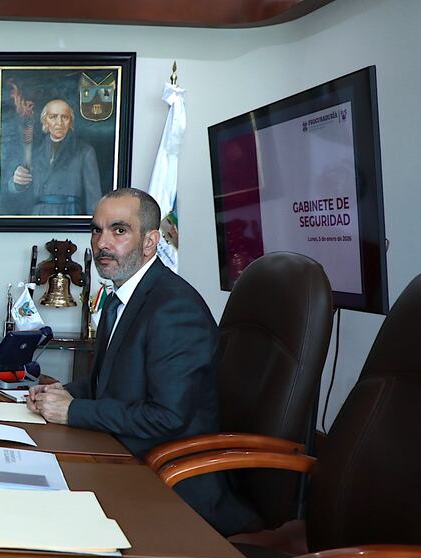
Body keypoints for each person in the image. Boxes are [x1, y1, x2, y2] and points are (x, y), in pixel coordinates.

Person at [27, 187, 259, 536]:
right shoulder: (118, 298)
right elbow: (104, 384)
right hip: (122, 459)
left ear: (150, 242)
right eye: (96, 229)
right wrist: (56, 394)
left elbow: (167, 418)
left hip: (170, 488)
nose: (102, 242)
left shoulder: (174, 309)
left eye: (119, 230)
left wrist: (72, 411)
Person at [2, 98, 103, 216]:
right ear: (45, 121)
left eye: (64, 117)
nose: (59, 122)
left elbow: (94, 200)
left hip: (70, 217)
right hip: (38, 218)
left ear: (71, 122)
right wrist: (16, 182)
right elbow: (12, 193)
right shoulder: (34, 152)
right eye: (53, 117)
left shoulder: (85, 151)